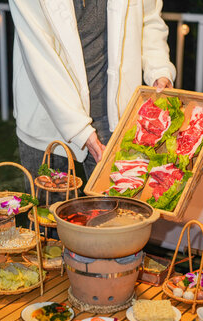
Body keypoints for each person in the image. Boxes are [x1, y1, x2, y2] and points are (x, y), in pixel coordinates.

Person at [9, 0, 176, 195]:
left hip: (112, 115)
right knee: (48, 217)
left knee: (116, 217)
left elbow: (149, 20)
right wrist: (79, 129)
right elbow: (39, 57)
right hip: (46, 117)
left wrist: (159, 70)